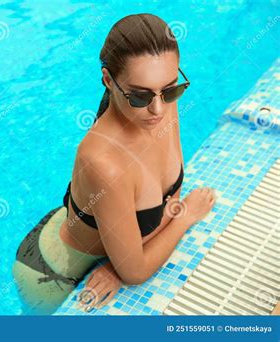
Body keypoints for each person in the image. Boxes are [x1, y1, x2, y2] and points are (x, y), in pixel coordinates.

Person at [12, 13, 216, 315]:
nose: (158, 108)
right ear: (109, 80)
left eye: (171, 88)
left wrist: (120, 261)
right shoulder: (104, 164)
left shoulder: (160, 106)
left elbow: (170, 193)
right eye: (139, 96)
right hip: (55, 274)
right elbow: (135, 272)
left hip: (92, 228)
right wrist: (185, 216)